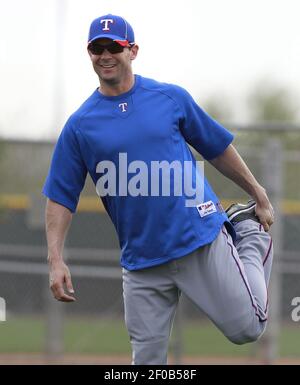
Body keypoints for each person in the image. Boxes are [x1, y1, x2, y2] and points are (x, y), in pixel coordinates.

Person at [43, 14, 274, 365]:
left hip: (199, 239)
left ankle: (247, 232)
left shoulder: (169, 98)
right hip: (142, 260)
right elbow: (61, 195)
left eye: (114, 46)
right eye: (96, 48)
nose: (105, 54)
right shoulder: (80, 126)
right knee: (147, 362)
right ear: (88, 53)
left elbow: (216, 147)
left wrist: (257, 192)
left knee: (248, 328)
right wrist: (55, 258)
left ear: (132, 51)